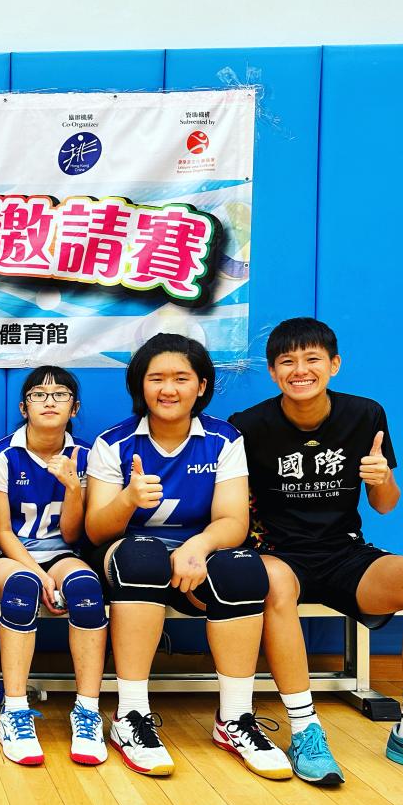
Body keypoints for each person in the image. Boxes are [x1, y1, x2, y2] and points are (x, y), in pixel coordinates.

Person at [230, 317, 403, 786]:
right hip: (278, 554)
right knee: (272, 582)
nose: (300, 370)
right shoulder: (247, 425)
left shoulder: (365, 415)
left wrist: (381, 478)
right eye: (287, 361)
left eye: (312, 359)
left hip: (344, 553)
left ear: (334, 364)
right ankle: (305, 730)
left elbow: (384, 505)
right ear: (272, 372)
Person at [85, 333, 290, 780]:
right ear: (139, 386)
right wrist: (128, 500)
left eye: (181, 378)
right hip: (128, 556)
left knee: (243, 569)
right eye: (156, 378)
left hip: (196, 558)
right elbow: (96, 530)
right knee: (143, 558)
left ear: (201, 386)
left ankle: (234, 718)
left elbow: (233, 521)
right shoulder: (113, 443)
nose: (168, 389)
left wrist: (196, 546)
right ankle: (130, 715)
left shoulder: (223, 439)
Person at [0, 367, 107, 767]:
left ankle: (87, 711)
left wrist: (73, 487)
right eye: (38, 394)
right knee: (23, 587)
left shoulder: (88, 455)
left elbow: (72, 535)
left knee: (86, 589)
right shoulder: (0, 456)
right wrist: (38, 574)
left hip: (62, 552)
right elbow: (3, 531)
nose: (49, 401)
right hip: (11, 556)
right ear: (24, 407)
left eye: (60, 394)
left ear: (75, 407)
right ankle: (15, 709)